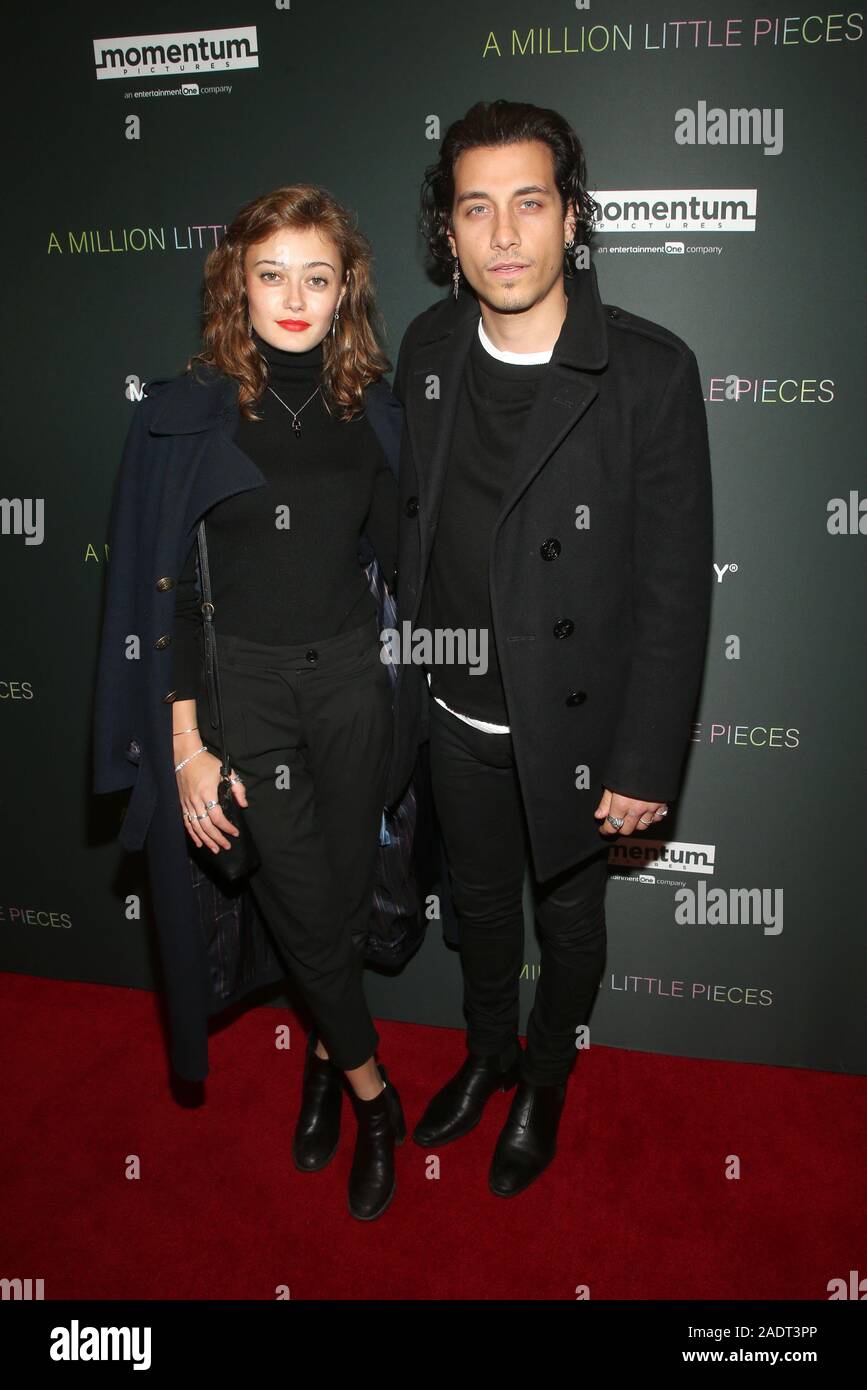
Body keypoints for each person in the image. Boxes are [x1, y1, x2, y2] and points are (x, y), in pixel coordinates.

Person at [388, 99, 713, 1197]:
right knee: (478, 909)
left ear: (572, 216)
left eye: (531, 202)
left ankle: (547, 1078)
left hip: (574, 728)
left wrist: (644, 761)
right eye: (476, 209)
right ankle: (488, 1052)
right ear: (450, 231)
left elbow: (675, 591)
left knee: (568, 918)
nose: (506, 234)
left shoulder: (651, 374)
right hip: (454, 715)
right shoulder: (429, 346)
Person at [96, 185, 407, 1222]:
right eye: (271, 273)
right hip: (247, 692)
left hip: (355, 684)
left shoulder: (377, 410)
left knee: (347, 891)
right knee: (302, 901)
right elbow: (164, 595)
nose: (294, 296)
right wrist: (183, 746)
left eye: (317, 276)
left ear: (344, 289)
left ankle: (323, 1062)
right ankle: (374, 1094)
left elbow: (405, 562)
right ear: (237, 282)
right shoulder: (189, 414)